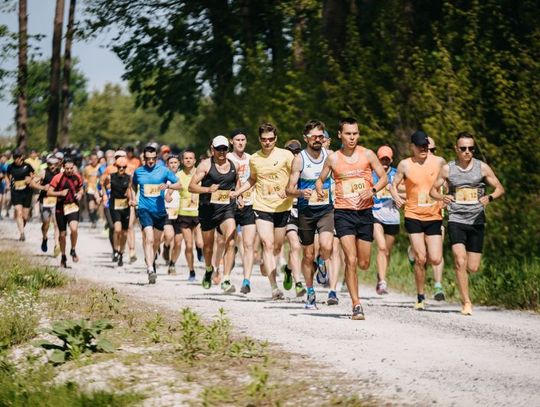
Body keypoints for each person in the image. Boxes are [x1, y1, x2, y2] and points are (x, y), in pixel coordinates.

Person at [316, 117, 388, 320]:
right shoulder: (333, 159)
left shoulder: (367, 154)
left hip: (365, 213)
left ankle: (360, 287)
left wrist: (372, 189)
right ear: (340, 135)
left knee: (364, 262)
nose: (352, 137)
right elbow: (320, 180)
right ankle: (356, 305)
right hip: (343, 212)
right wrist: (320, 189)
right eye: (348, 134)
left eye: (355, 133)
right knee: (351, 259)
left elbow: (383, 178)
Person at [430, 132, 504, 315]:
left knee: (472, 267)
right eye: (463, 148)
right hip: (456, 219)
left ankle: (462, 281)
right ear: (457, 149)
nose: (467, 152)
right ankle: (466, 302)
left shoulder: (482, 168)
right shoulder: (448, 169)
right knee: (459, 260)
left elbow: (500, 188)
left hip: (476, 220)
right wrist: (442, 197)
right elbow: (432, 191)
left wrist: (490, 197)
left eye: (471, 148)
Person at [235, 123, 294, 300]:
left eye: (270, 139)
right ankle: (274, 287)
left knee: (277, 247)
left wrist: (291, 188)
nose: (267, 143)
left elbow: (295, 175)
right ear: (259, 140)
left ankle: (266, 262)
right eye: (264, 140)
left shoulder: (286, 155)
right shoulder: (254, 159)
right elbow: (252, 179)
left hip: (283, 207)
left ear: (276, 139)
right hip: (261, 206)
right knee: (267, 244)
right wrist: (238, 192)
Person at [391, 130, 446, 310]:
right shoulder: (405, 165)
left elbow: (448, 183)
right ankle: (420, 296)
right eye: (420, 146)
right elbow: (393, 185)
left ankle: (414, 254)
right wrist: (397, 197)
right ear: (412, 147)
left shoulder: (439, 162)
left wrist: (447, 198)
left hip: (434, 215)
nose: (423, 149)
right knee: (421, 259)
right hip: (413, 215)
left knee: (436, 258)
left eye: (426, 146)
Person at [286, 120, 335, 309]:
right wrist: (300, 193)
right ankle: (310, 292)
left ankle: (322, 263)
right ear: (305, 138)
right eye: (314, 136)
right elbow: (289, 189)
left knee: (327, 246)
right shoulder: (299, 159)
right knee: (307, 255)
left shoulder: (330, 156)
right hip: (305, 212)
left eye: (320, 136)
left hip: (326, 210)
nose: (317, 140)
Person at [189, 136, 240, 293]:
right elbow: (191, 187)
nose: (222, 152)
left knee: (231, 240)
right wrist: (207, 190)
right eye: (219, 149)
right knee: (208, 247)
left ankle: (226, 278)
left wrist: (239, 196)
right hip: (207, 209)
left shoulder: (234, 165)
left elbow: (237, 182)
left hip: (226, 208)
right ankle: (209, 269)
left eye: (225, 149)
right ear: (213, 149)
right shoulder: (205, 165)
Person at [132, 144, 182, 284]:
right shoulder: (138, 172)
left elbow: (179, 184)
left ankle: (151, 260)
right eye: (148, 159)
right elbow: (133, 184)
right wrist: (132, 197)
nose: (151, 162)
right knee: (149, 239)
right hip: (144, 209)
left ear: (156, 158)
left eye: (153, 159)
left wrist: (168, 186)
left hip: (160, 211)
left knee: (156, 241)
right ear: (144, 158)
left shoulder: (164, 171)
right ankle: (150, 269)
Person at [227, 129, 258, 294]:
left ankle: (246, 281)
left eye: (243, 139)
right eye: (237, 140)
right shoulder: (227, 158)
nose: (240, 142)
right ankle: (225, 274)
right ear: (231, 141)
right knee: (229, 242)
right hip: (229, 206)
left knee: (249, 244)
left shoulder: (252, 159)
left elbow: (257, 179)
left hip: (250, 204)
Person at [371, 145, 400, 295]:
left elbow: (407, 192)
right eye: (382, 159)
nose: (384, 162)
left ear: (391, 160)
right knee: (381, 247)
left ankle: (380, 275)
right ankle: (383, 282)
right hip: (376, 215)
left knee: (386, 252)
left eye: (387, 159)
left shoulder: (397, 175)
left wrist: (398, 196)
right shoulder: (372, 174)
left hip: (393, 217)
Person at [169, 150, 200, 281]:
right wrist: (168, 194)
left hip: (199, 213)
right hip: (184, 213)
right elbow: (174, 186)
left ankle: (202, 253)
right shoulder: (179, 175)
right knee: (188, 244)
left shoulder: (200, 173)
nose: (188, 160)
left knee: (200, 242)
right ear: (182, 161)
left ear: (195, 160)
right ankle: (192, 271)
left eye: (190, 158)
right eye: (185, 158)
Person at [47, 159, 83, 268]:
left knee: (74, 229)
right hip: (60, 208)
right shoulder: (58, 178)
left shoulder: (77, 177)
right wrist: (60, 193)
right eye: (67, 168)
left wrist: (80, 193)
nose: (69, 170)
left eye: (71, 168)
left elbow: (81, 188)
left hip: (73, 206)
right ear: (63, 167)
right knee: (62, 234)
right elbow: (49, 192)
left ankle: (73, 249)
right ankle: (63, 256)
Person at [102, 156, 134, 267]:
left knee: (125, 233)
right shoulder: (110, 177)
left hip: (125, 207)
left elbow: (131, 189)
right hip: (114, 205)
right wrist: (105, 195)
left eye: (123, 167)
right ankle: (115, 250)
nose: (121, 169)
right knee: (117, 229)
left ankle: (121, 252)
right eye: (119, 167)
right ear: (115, 166)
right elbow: (102, 184)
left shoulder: (129, 178)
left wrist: (131, 200)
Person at [6, 151, 35, 241]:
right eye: (15, 158)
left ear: (22, 157)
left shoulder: (27, 166)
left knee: (25, 216)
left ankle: (22, 225)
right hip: (16, 191)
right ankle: (22, 233)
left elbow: (34, 175)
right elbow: (7, 176)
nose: (16, 160)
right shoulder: (10, 166)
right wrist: (8, 183)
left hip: (27, 192)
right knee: (18, 212)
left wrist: (30, 179)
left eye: (18, 157)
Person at [37, 155, 61, 255]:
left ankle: (57, 245)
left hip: (56, 200)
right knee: (46, 223)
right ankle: (45, 237)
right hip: (45, 200)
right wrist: (43, 187)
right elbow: (32, 184)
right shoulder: (43, 172)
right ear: (47, 164)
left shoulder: (61, 173)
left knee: (56, 223)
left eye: (55, 164)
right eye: (50, 164)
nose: (52, 166)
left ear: (58, 164)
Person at [83, 152, 100, 228]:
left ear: (97, 159)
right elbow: (84, 177)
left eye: (95, 159)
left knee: (97, 205)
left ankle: (95, 216)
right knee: (91, 206)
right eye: (92, 159)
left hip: (98, 189)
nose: (94, 160)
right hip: (90, 189)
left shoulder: (100, 167)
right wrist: (85, 181)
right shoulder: (87, 168)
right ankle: (93, 221)